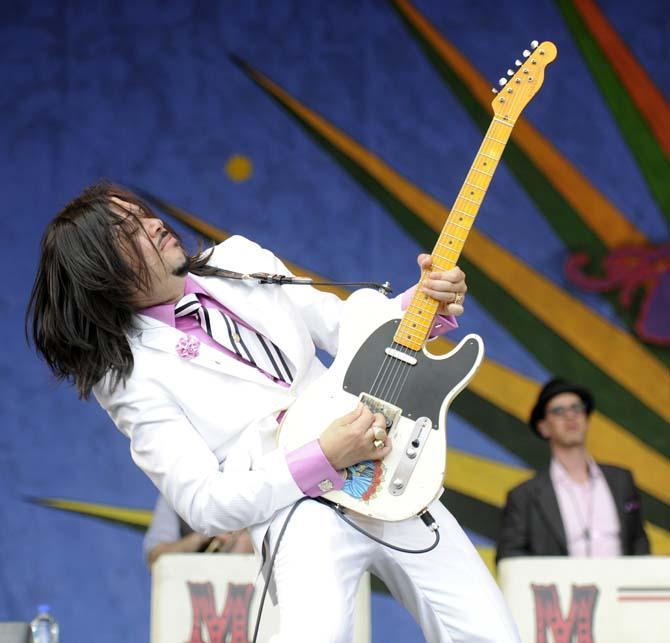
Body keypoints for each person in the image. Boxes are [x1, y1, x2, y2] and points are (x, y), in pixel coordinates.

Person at [28, 181, 520, 642]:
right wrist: (322, 457)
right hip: (297, 509)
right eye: (128, 231)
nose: (153, 223)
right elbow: (204, 503)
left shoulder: (238, 258)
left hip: (388, 468)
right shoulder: (128, 374)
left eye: (142, 213)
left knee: (492, 633)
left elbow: (346, 328)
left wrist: (423, 305)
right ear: (102, 273)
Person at [496, 378, 650, 563]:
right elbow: (510, 559)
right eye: (558, 411)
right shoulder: (524, 496)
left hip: (620, 588)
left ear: (586, 418)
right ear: (543, 427)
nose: (570, 416)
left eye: (576, 408)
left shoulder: (621, 480)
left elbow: (639, 541)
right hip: (561, 590)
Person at [143, 494, 254, 567]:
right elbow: (154, 559)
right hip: (195, 589)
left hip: (257, 589)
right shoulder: (175, 488)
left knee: (243, 542)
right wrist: (201, 538)